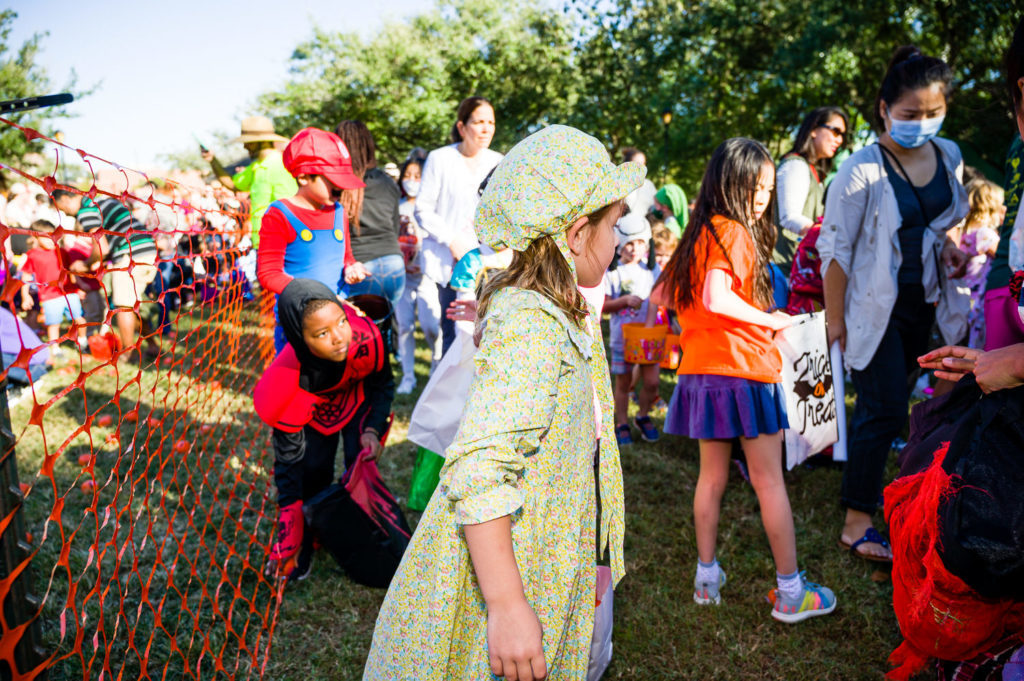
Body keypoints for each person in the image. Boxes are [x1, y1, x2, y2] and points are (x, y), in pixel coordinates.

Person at [364, 125, 637, 681]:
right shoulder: (532, 322)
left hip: (547, 547)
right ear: (578, 233)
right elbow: (483, 468)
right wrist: (509, 606)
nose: (619, 239)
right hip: (510, 564)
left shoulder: (554, 313)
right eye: (614, 224)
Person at [653, 137, 835, 622]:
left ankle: (706, 579)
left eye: (769, 188)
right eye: (755, 187)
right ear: (728, 184)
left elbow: (661, 293)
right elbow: (715, 297)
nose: (762, 197)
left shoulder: (697, 233)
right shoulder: (732, 231)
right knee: (768, 481)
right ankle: (792, 592)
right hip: (746, 373)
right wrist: (770, 319)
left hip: (702, 375)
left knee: (710, 479)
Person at [818, 46, 970, 563]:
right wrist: (834, 322)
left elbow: (941, 223)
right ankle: (856, 520)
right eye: (910, 115)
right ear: (883, 110)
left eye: (933, 113)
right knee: (881, 410)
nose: (922, 125)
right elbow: (834, 251)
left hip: (925, 303)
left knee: (906, 405)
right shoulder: (861, 170)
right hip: (870, 308)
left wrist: (949, 248)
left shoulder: (948, 154)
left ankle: (903, 500)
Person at [253, 278, 395, 581]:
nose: (339, 337)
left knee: (361, 464)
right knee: (312, 470)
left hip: (356, 396)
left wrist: (373, 428)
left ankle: (363, 528)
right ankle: (308, 537)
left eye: (341, 321)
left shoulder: (367, 337)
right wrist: (290, 518)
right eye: (322, 333)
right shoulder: (288, 386)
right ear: (300, 339)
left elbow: (382, 384)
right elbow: (288, 460)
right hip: (314, 411)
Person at [255, 127, 368, 352]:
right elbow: (268, 273)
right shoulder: (279, 214)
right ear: (304, 176)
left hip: (338, 318)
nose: (340, 187)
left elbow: (346, 257)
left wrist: (351, 268)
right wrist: (312, 294)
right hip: (299, 322)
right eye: (332, 180)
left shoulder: (339, 212)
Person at [415, 96, 503, 355]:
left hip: (491, 263)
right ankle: (447, 385)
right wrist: (452, 241)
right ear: (462, 127)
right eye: (479, 122)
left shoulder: (499, 160)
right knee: (454, 333)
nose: (486, 128)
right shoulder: (440, 158)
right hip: (449, 263)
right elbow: (423, 209)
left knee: (487, 335)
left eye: (491, 122)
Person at [52, 189, 160, 359]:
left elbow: (102, 245)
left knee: (123, 307)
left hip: (130, 255)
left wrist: (85, 264)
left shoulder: (86, 210)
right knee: (132, 304)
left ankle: (127, 355)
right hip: (146, 250)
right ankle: (153, 346)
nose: (65, 213)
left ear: (65, 198)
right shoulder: (100, 201)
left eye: (61, 208)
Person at [334, 120, 405, 312]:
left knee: (359, 336)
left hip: (358, 269)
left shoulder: (337, 186)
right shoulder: (388, 182)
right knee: (384, 334)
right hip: (394, 265)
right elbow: (395, 227)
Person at [604, 212, 661, 445]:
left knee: (652, 382)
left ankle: (643, 415)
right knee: (623, 383)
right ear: (619, 243)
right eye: (629, 243)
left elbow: (655, 298)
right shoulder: (613, 271)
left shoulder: (651, 269)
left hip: (647, 337)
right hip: (622, 338)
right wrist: (623, 302)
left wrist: (649, 326)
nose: (635, 249)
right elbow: (604, 305)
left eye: (640, 243)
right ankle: (621, 422)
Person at [202, 115, 298, 249]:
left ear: (263, 141)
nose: (245, 146)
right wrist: (212, 160)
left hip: (280, 245)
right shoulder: (256, 167)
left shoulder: (280, 164)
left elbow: (291, 209)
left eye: (249, 142)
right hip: (263, 244)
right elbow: (232, 184)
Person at [772, 106, 849, 272]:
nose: (840, 140)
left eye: (842, 135)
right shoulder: (795, 165)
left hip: (795, 270)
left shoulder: (813, 172)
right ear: (814, 129)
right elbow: (790, 217)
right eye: (835, 131)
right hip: (780, 270)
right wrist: (831, 234)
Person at [394, 157, 442, 394]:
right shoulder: (397, 207)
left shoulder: (431, 207)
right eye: (408, 175)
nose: (412, 181)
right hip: (402, 278)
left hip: (426, 276)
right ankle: (408, 376)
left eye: (417, 176)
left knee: (431, 325)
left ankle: (436, 364)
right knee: (404, 327)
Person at [19, 220, 88, 357]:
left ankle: (82, 342)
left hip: (69, 292)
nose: (51, 240)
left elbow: (70, 273)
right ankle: (55, 349)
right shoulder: (32, 255)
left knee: (80, 319)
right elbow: (25, 277)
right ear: (36, 238)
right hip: (49, 296)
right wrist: (25, 295)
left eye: (53, 236)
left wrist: (78, 287)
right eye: (46, 237)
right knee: (54, 324)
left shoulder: (62, 252)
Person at [957, 179, 1004, 348]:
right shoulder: (985, 234)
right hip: (976, 301)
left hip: (960, 295)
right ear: (993, 208)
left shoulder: (963, 230)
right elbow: (1004, 254)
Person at [622, 147, 657, 216]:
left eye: (643, 164)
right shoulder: (619, 183)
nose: (641, 167)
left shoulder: (649, 185)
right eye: (637, 164)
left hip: (643, 225)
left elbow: (654, 207)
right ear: (627, 164)